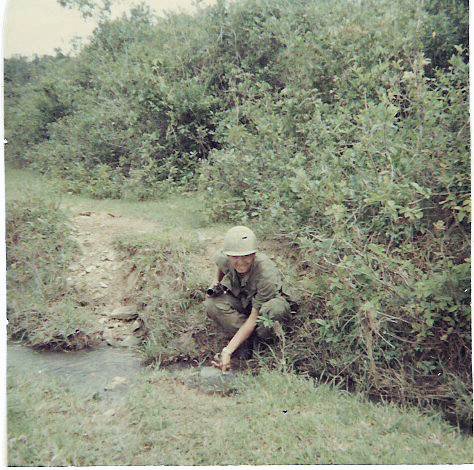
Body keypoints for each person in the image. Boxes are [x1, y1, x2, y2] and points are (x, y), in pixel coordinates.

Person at [204, 225, 292, 372]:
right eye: (235, 257)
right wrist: (216, 281)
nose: (240, 261)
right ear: (228, 256)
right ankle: (246, 341)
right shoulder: (224, 257)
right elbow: (220, 264)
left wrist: (227, 351)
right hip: (244, 299)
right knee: (212, 304)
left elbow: (254, 317)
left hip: (263, 307)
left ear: (254, 254)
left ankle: (263, 343)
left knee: (275, 309)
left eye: (246, 256)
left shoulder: (266, 274)